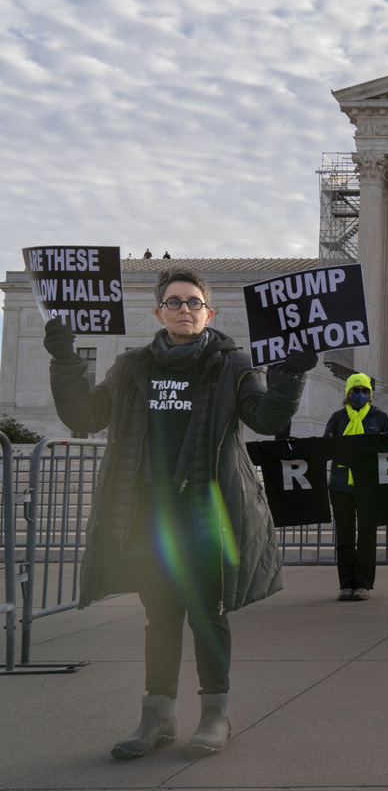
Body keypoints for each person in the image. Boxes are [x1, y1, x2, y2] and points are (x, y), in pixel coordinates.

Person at [44, 267, 314, 759]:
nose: (184, 309)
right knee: (160, 617)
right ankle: (157, 717)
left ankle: (215, 714)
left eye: (193, 302)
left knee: (208, 616)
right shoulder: (130, 367)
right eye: (174, 302)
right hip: (149, 515)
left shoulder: (233, 365)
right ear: (159, 312)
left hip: (207, 512)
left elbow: (266, 418)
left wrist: (289, 377)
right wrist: (65, 358)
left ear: (209, 312)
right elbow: (83, 416)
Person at [323, 372, 388, 601]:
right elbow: (325, 448)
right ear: (348, 393)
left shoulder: (380, 418)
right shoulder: (337, 419)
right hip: (341, 484)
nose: (360, 394)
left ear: (370, 394)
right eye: (356, 390)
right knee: (344, 536)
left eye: (365, 390)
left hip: (369, 485)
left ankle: (362, 585)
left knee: (367, 536)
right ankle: (346, 585)